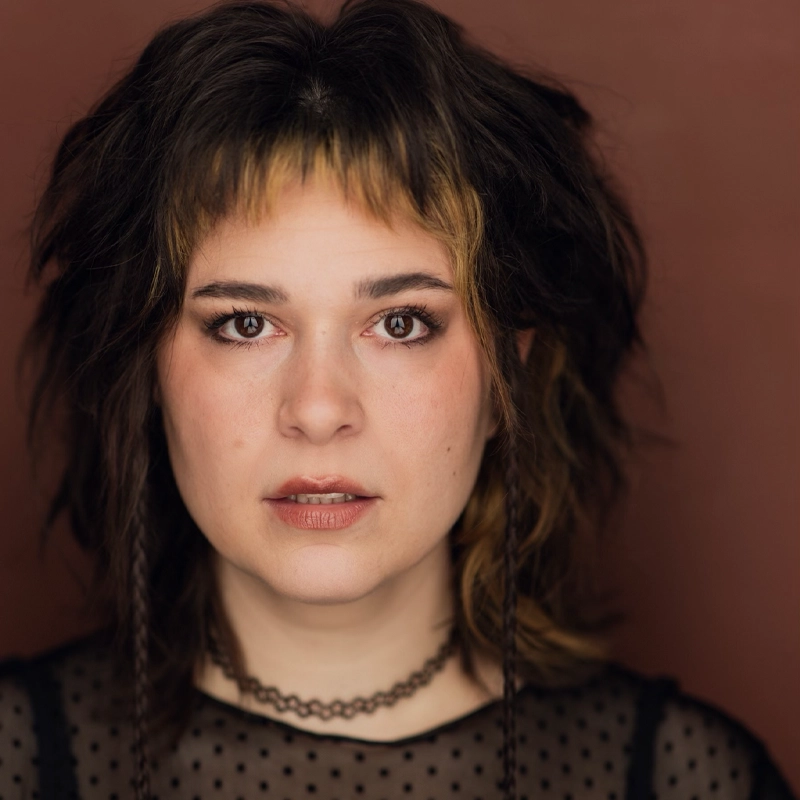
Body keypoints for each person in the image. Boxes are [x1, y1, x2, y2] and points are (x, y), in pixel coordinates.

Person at [0, 0, 795, 798]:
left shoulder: (684, 779)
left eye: (400, 323)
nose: (318, 409)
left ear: (507, 379)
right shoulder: (20, 758)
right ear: (148, 372)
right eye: (245, 324)